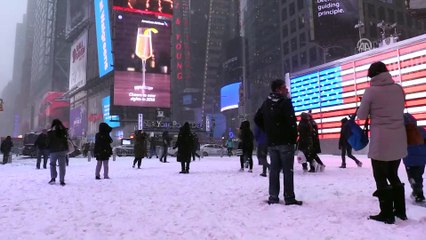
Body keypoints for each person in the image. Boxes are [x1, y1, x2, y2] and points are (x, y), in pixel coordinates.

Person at [357, 61, 407, 224]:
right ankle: (400, 211)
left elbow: (361, 116)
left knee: (380, 176)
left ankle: (386, 213)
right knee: (393, 175)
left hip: (381, 140)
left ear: (372, 75)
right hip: (398, 138)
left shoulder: (370, 91)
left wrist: (365, 103)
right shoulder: (399, 89)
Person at [254, 79, 302, 205]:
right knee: (287, 171)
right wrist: (293, 138)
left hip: (272, 142)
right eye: (284, 87)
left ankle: (273, 196)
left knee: (274, 171)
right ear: (278, 89)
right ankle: (289, 197)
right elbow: (291, 123)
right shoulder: (285, 103)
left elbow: (257, 118)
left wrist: (269, 130)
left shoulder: (266, 103)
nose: (287, 89)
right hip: (285, 142)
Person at [402, 113, 426, 203]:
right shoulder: (421, 130)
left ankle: (418, 195)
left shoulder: (402, 133)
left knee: (412, 178)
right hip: (422, 160)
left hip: (410, 160)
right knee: (418, 176)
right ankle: (418, 192)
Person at [47, 119, 69, 186]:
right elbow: (66, 140)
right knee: (62, 166)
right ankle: (62, 180)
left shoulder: (50, 132)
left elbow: (48, 142)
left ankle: (53, 177)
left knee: (52, 164)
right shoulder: (64, 131)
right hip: (62, 150)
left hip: (53, 150)